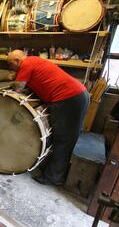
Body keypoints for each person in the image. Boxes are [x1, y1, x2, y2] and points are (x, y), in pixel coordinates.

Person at [6, 49, 90, 186]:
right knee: (63, 138)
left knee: (63, 140)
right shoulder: (34, 61)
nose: (10, 68)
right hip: (76, 96)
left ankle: (54, 177)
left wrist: (10, 80)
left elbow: (19, 88)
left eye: (10, 65)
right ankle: (53, 171)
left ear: (17, 60)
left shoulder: (26, 63)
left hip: (69, 98)